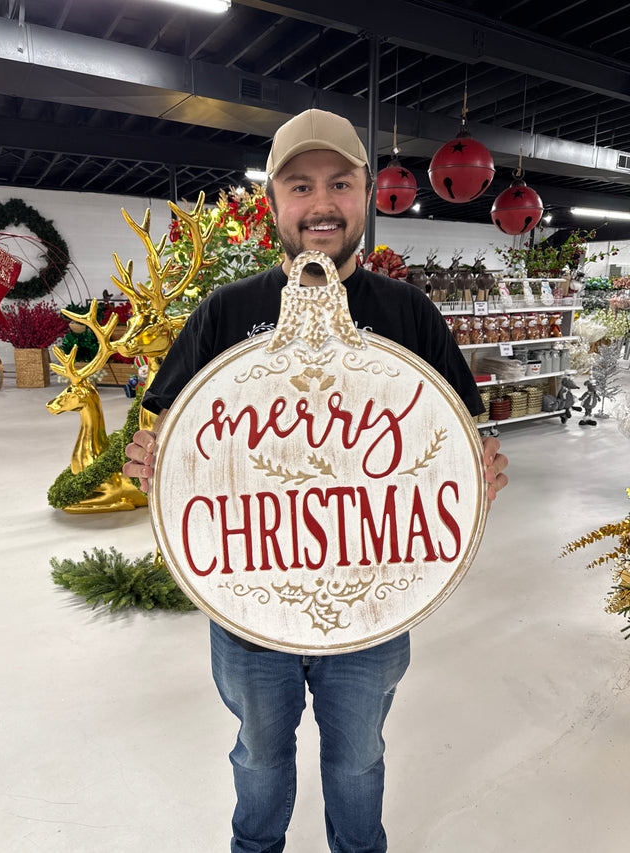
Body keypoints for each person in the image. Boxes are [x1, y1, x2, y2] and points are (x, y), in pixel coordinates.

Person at [123, 108, 508, 853]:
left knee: (358, 757)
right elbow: (171, 430)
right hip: (247, 598)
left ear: (366, 193)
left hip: (374, 600)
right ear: (273, 200)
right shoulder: (226, 311)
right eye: (300, 185)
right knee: (258, 756)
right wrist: (153, 461)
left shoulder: (408, 311)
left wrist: (480, 463)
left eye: (340, 183)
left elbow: (463, 428)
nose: (321, 203)